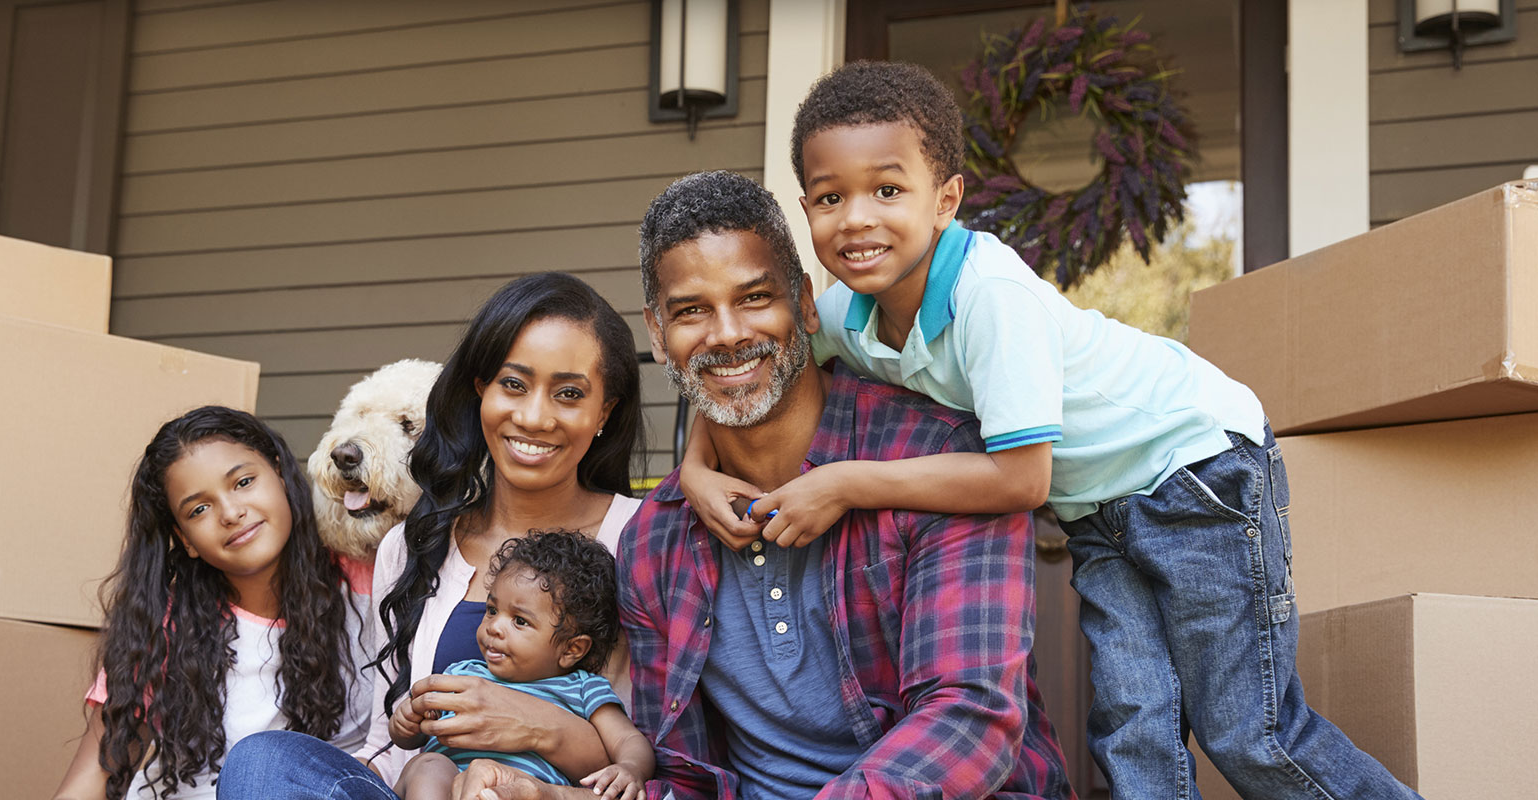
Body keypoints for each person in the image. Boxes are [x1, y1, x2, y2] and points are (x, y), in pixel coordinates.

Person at [676, 63, 1420, 800]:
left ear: (947, 199)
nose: (858, 217)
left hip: (1196, 468)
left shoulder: (990, 296)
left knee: (1246, 731)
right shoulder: (844, 314)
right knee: (1133, 726)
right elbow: (755, 373)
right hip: (1100, 511)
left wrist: (841, 482)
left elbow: (1021, 479)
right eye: (832, 197)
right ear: (807, 209)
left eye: (889, 189)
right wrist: (694, 469)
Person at [456, 172, 1071, 800]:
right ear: (657, 333)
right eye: (691, 310)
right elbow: (686, 772)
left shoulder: (939, 461)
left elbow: (968, 719)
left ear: (805, 303)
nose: (726, 334)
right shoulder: (654, 543)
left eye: (754, 298)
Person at [216, 272, 646, 799]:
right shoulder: (415, 543)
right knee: (264, 761)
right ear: (479, 388)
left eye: (569, 394)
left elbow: (663, 757)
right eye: (513, 384)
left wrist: (538, 727)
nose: (533, 416)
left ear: (605, 411)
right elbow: (388, 741)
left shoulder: (642, 539)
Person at [53, 406, 370, 800]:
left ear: (280, 474)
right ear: (184, 538)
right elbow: (89, 784)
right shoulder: (164, 627)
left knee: (263, 761)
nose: (231, 513)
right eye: (199, 509)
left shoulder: (367, 581)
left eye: (243, 482)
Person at [392, 530, 653, 800]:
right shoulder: (463, 674)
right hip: (443, 787)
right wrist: (406, 725)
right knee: (429, 767)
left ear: (571, 649)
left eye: (520, 621)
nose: (494, 627)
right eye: (492, 610)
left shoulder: (583, 689)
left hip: (520, 791)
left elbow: (627, 740)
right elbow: (415, 737)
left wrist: (631, 767)